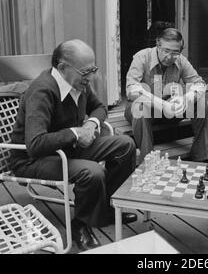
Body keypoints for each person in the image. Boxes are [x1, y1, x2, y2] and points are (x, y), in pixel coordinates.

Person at [10, 39, 138, 251]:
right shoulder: (42, 91)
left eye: (94, 69)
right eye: (86, 71)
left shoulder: (78, 82)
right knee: (92, 172)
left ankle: (106, 209)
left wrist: (90, 123)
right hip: (34, 159)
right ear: (62, 67)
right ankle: (81, 225)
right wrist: (75, 133)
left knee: (125, 145)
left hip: (68, 150)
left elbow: (99, 107)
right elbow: (34, 144)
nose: (92, 77)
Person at [125, 28, 208, 163]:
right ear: (158, 44)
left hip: (170, 110)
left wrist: (185, 99)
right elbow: (131, 89)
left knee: (200, 103)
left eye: (175, 53)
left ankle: (203, 157)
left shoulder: (181, 60)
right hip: (146, 109)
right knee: (140, 109)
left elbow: (200, 84)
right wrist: (161, 104)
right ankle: (148, 160)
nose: (169, 57)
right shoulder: (142, 57)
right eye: (166, 51)